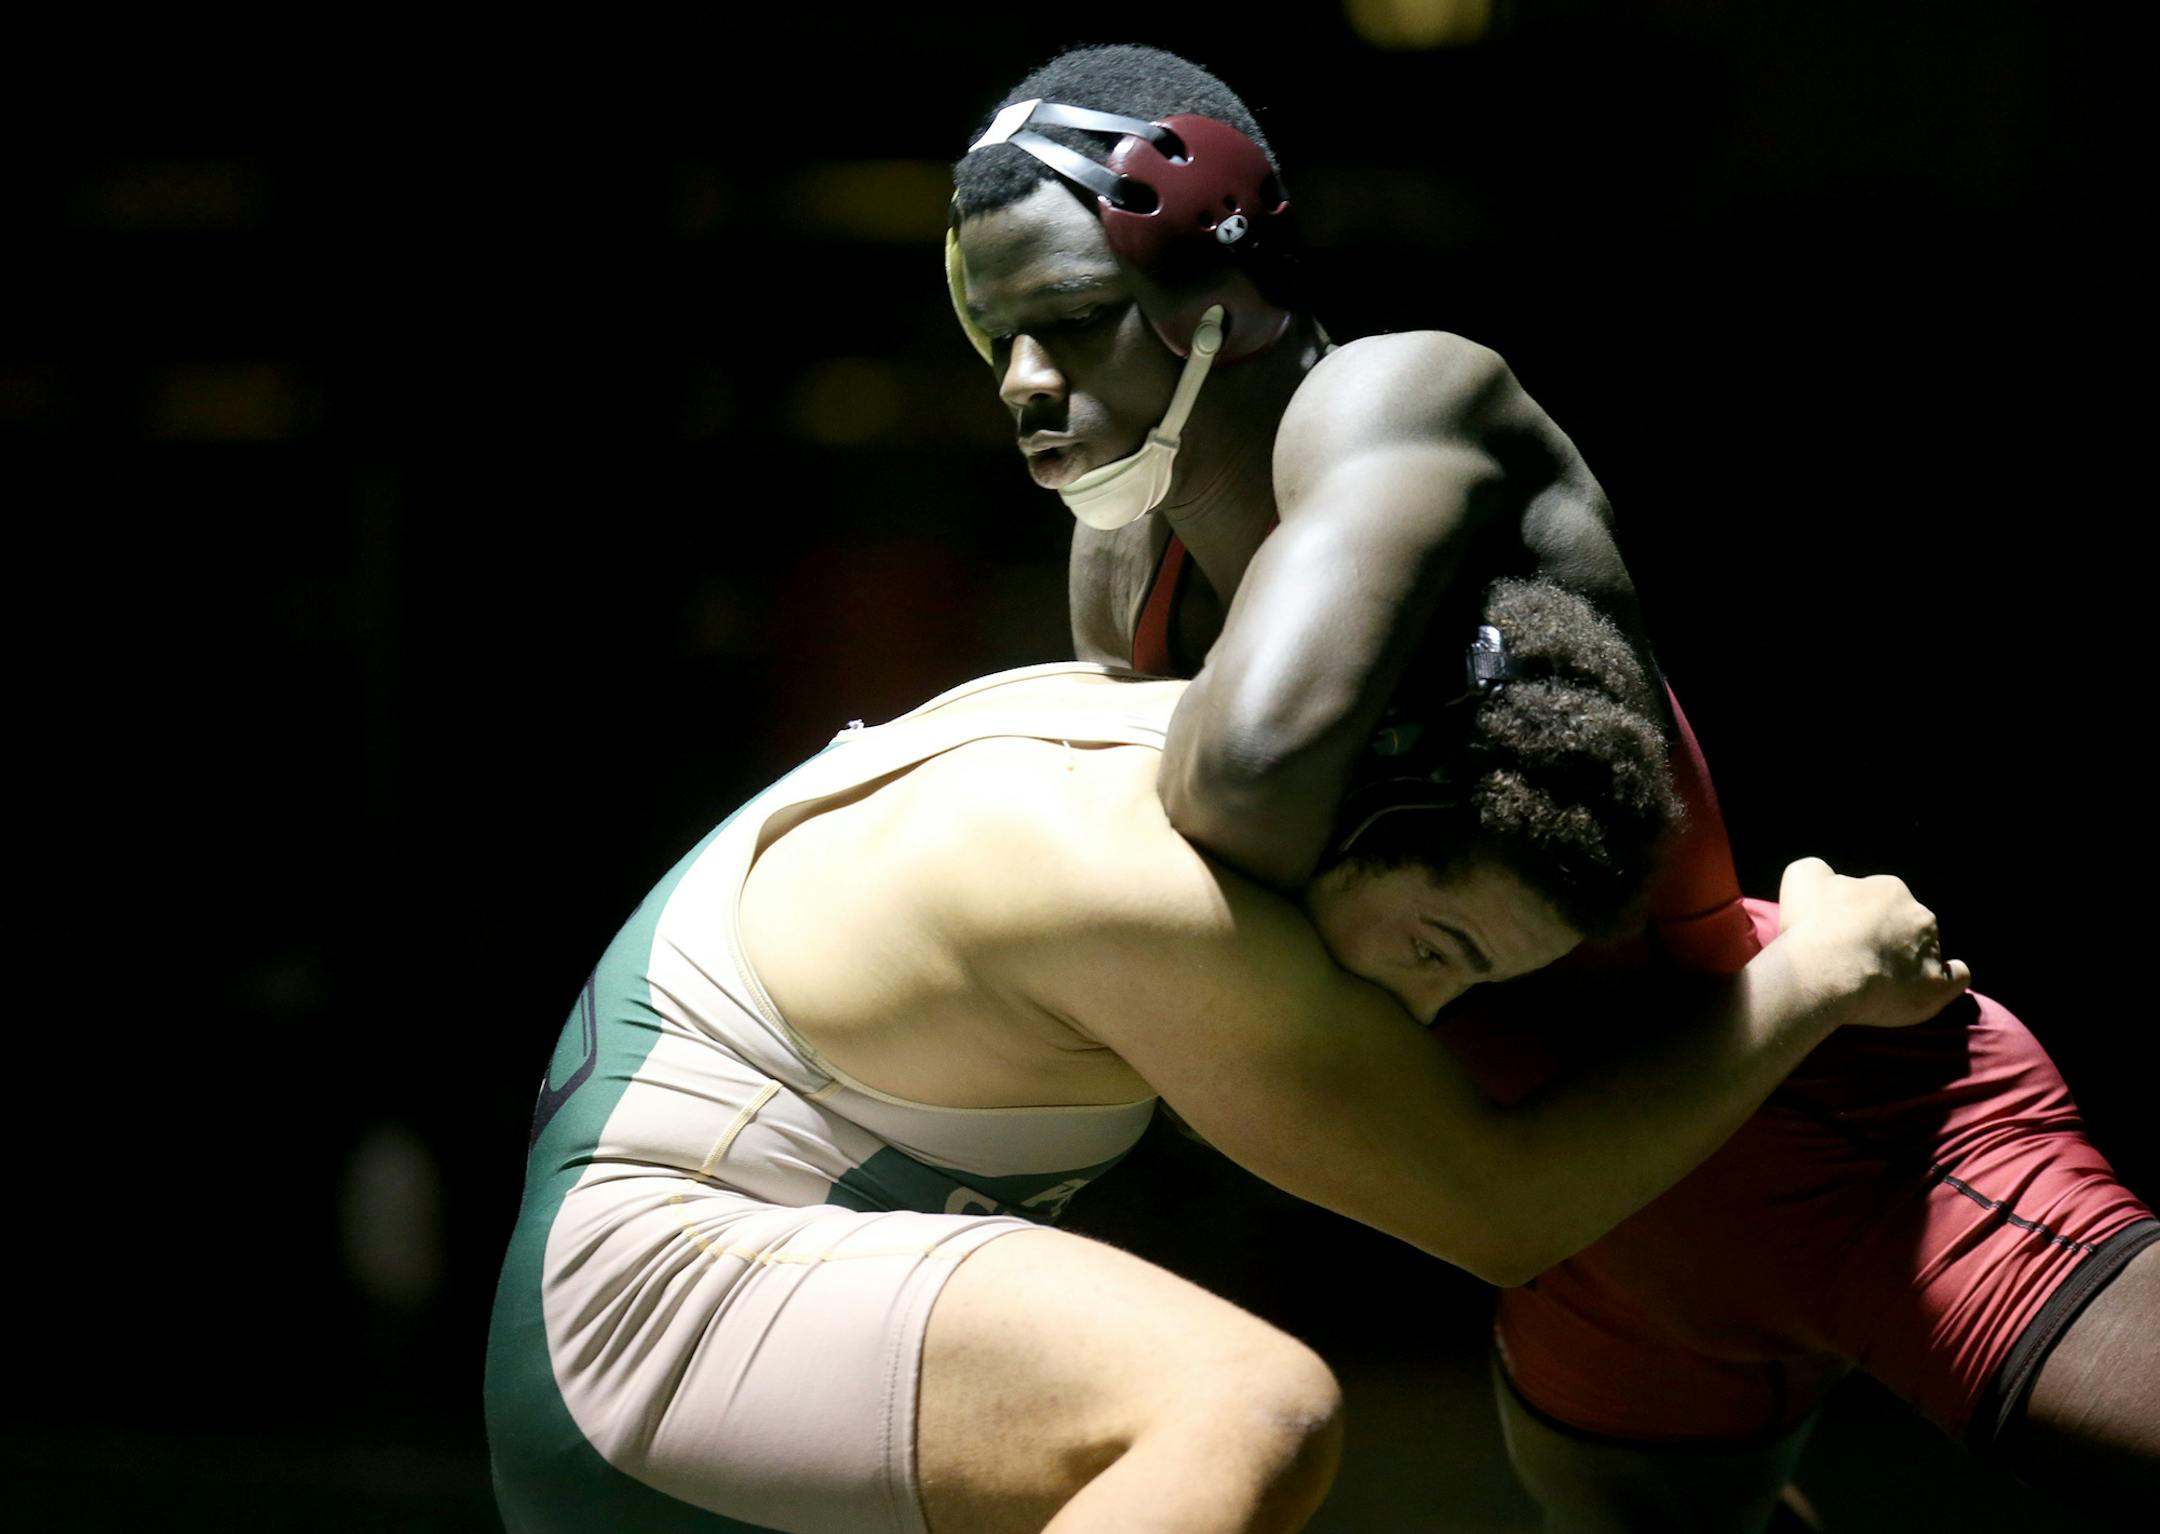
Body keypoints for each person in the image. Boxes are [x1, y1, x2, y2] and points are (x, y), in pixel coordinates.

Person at [944, 43, 2157, 1527]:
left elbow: (1235, 795)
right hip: (1572, 1234)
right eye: (990, 327)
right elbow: (1172, 945)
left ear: (1219, 282)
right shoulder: (1122, 563)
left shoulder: (1405, 400)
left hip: (1823, 1125)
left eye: (1068, 319)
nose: (1023, 382)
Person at [484, 578, 1964, 1533]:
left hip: (738, 1293)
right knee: (1238, 1407)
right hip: (653, 1309)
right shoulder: (1134, 882)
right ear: (1374, 814)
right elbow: (1507, 1210)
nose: (1423, 1010)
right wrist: (1818, 979)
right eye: (1439, 952)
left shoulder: (1165, 729)